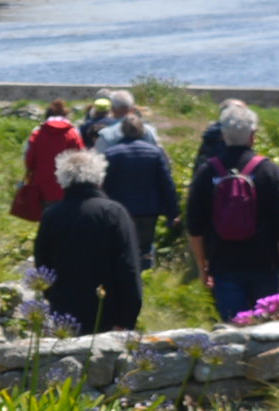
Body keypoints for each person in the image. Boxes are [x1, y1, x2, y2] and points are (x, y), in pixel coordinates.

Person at [186, 101, 279, 323]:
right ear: (252, 135)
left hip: (223, 264)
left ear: (223, 135)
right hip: (265, 264)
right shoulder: (268, 170)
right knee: (267, 328)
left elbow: (194, 225)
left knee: (233, 328)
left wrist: (202, 266)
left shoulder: (207, 170)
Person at [30, 148, 144, 333]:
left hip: (65, 315)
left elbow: (42, 266)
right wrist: (127, 318)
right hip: (108, 315)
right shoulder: (113, 212)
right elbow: (128, 267)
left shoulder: (51, 215)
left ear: (62, 178)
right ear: (99, 177)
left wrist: (53, 299)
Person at [98, 109, 177, 269]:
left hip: (122, 209)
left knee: (122, 245)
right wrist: (172, 212)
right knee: (145, 247)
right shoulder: (155, 153)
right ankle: (144, 275)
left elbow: (105, 185)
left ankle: (125, 276)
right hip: (149, 209)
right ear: (142, 130)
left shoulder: (111, 154)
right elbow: (166, 183)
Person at [10, 102, 84, 221]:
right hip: (68, 184)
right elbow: (81, 158)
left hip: (42, 183)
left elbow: (29, 159)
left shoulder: (38, 131)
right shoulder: (73, 132)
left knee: (47, 218)